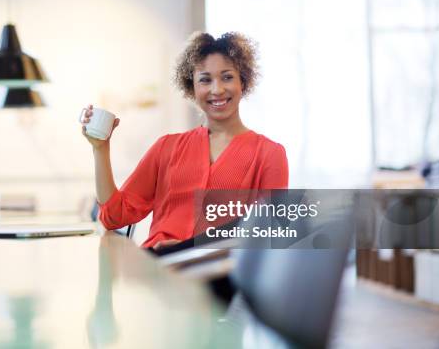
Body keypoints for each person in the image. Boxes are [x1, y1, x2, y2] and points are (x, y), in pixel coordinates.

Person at [81, 32, 288, 249]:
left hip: (218, 273)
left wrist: (190, 248)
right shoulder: (166, 148)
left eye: (227, 77)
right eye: (205, 80)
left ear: (243, 82)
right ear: (192, 88)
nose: (217, 89)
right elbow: (114, 217)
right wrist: (100, 148)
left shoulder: (269, 154)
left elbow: (269, 236)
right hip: (158, 267)